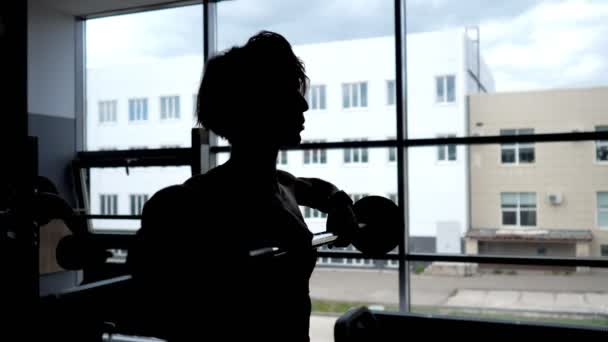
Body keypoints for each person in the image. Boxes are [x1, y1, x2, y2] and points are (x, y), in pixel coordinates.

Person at [127, 31, 357, 341]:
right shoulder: (185, 204)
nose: (303, 105)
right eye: (289, 92)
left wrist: (340, 201)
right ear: (255, 103)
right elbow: (148, 314)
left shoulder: (283, 185)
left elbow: (318, 189)